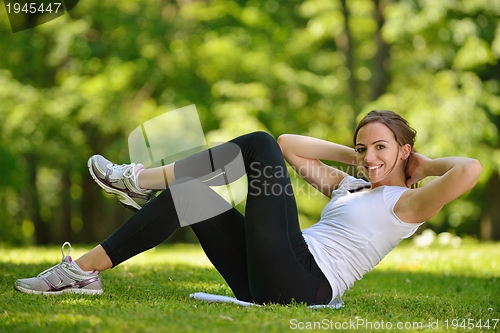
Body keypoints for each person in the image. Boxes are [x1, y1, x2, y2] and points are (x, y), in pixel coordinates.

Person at [14, 110, 482, 306]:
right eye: (365, 148)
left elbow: (470, 170)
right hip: (268, 276)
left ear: (404, 151)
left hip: (305, 280)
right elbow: (292, 146)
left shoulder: (407, 203)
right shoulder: (349, 186)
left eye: (382, 148)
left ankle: (140, 180)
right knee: (192, 196)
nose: (370, 157)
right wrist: (354, 152)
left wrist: (425, 163)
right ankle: (82, 272)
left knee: (255, 144)